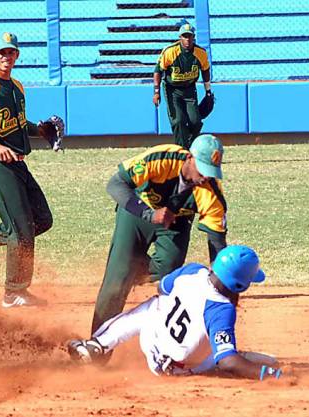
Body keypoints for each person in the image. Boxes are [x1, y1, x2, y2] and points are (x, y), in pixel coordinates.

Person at [67, 245, 282, 381]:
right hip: (176, 370)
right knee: (228, 354)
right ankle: (240, 356)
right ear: (240, 285)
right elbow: (228, 362)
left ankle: (98, 345)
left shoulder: (193, 270)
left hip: (152, 342)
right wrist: (268, 375)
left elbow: (162, 288)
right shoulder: (221, 310)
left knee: (156, 304)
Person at [90, 134, 227, 336]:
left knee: (168, 269)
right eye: (202, 168)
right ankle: (97, 342)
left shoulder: (210, 192)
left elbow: (217, 245)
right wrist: (149, 214)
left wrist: (222, 284)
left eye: (211, 171)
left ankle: (130, 269)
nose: (205, 176)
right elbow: (116, 184)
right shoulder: (162, 158)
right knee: (115, 282)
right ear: (190, 157)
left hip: (176, 223)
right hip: (137, 212)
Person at [0, 32, 61, 308]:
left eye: (11, 52)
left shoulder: (17, 87)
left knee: (42, 219)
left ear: (17, 55)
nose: (7, 57)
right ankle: (13, 292)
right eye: (2, 52)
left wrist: (39, 130)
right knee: (20, 230)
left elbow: (17, 125)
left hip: (18, 164)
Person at [153, 22, 212, 150]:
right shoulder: (170, 52)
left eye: (190, 36)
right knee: (178, 120)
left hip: (190, 88)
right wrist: (156, 92)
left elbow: (205, 70)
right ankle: (182, 150)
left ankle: (190, 144)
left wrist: (208, 92)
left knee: (195, 121)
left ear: (193, 37)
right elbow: (158, 71)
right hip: (172, 89)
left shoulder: (200, 53)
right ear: (180, 37)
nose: (187, 39)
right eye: (184, 36)